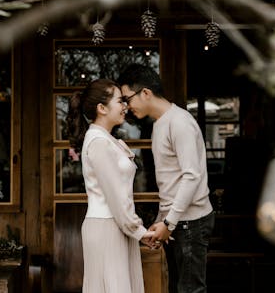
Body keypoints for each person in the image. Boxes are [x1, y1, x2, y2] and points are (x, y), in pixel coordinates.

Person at [118, 64, 215, 293]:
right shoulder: (160, 124)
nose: (126, 107)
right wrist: (163, 220)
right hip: (178, 221)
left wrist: (169, 222)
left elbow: (191, 176)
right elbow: (170, 181)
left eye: (127, 99)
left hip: (191, 221)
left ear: (146, 93)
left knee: (190, 290)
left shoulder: (179, 122)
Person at [65, 78, 155, 293]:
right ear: (102, 108)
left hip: (117, 224)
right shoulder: (98, 142)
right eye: (120, 101)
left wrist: (135, 229)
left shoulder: (107, 139)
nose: (125, 106)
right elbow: (114, 195)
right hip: (107, 226)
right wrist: (139, 231)